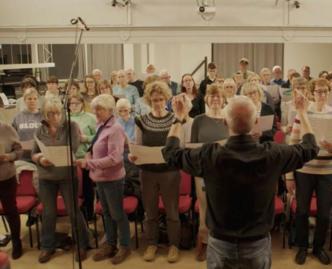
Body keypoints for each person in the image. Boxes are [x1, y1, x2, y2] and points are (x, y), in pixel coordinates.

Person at [161, 91, 319, 269]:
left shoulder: (210, 155)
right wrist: (303, 113)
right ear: (256, 122)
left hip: (220, 243)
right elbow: (310, 147)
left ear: (225, 122)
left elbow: (171, 154)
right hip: (257, 244)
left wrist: (179, 118)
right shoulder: (272, 154)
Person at [286, 78, 332, 265]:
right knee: (302, 211)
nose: (321, 94)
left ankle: (318, 248)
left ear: (329, 93)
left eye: (325, 91)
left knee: (325, 213)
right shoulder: (303, 113)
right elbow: (293, 143)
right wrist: (289, 176)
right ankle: (302, 246)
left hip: (327, 171)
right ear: (312, 93)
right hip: (305, 170)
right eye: (318, 91)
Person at [127, 81, 182, 263]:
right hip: (147, 172)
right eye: (154, 100)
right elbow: (138, 144)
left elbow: (179, 146)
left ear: (166, 99)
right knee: (150, 211)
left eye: (160, 99)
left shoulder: (175, 119)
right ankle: (152, 243)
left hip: (170, 172)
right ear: (149, 100)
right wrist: (133, 156)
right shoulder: (141, 120)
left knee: (172, 211)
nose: (157, 103)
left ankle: (174, 245)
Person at [32, 97, 90, 263]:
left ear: (62, 113)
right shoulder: (39, 130)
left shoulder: (71, 126)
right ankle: (47, 246)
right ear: (45, 114)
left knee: (73, 211)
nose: (54, 117)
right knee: (49, 213)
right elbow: (33, 153)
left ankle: (82, 244)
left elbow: (73, 148)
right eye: (50, 113)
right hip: (46, 177)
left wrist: (51, 153)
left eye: (57, 113)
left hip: (67, 176)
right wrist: (41, 158)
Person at [76, 94, 131, 265]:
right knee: (106, 213)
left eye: (99, 109)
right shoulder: (101, 125)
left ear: (109, 110)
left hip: (113, 179)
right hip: (100, 178)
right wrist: (88, 155)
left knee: (117, 214)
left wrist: (89, 163)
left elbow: (115, 158)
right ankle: (110, 244)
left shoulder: (116, 129)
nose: (95, 112)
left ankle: (124, 246)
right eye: (95, 109)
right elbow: (94, 147)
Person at [190, 84, 229, 261]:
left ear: (224, 100)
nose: (215, 99)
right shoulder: (198, 120)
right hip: (203, 171)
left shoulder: (229, 119)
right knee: (205, 208)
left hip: (226, 171)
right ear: (206, 99)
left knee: (224, 207)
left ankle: (223, 245)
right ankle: (204, 242)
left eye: (219, 96)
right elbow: (191, 148)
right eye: (212, 96)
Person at [69, 94, 97, 222]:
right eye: (71, 103)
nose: (74, 106)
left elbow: (99, 137)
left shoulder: (90, 118)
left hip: (85, 157)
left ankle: (89, 214)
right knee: (72, 189)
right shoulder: (65, 118)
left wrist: (86, 138)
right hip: (70, 158)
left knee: (87, 188)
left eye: (77, 103)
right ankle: (76, 215)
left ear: (82, 104)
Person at [0, 123, 23, 259]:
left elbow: (19, 151)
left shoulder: (6, 128)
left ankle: (16, 243)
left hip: (6, 177)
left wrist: (8, 157)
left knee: (11, 211)